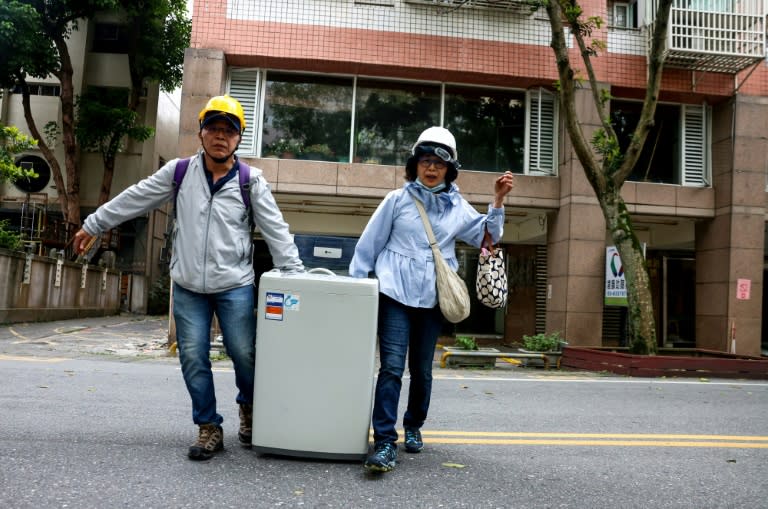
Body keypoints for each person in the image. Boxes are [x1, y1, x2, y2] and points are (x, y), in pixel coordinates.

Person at [73, 95, 304, 461]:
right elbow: (136, 197)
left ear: (238, 138)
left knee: (244, 354)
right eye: (212, 128)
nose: (219, 136)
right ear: (201, 133)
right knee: (194, 357)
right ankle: (209, 426)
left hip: (236, 286)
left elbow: (277, 232)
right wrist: (94, 223)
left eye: (228, 130)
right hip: (188, 287)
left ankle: (249, 408)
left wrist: (296, 278)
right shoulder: (179, 173)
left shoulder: (250, 181)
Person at [349, 126, 515, 473]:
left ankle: (413, 426)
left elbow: (487, 237)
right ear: (415, 165)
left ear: (449, 169)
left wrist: (497, 201)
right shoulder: (396, 201)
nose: (430, 168)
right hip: (394, 293)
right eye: (424, 161)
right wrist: (359, 286)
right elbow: (369, 245)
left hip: (433, 299)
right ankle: (383, 442)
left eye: (438, 163)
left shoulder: (457, 207)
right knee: (391, 368)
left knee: (422, 371)